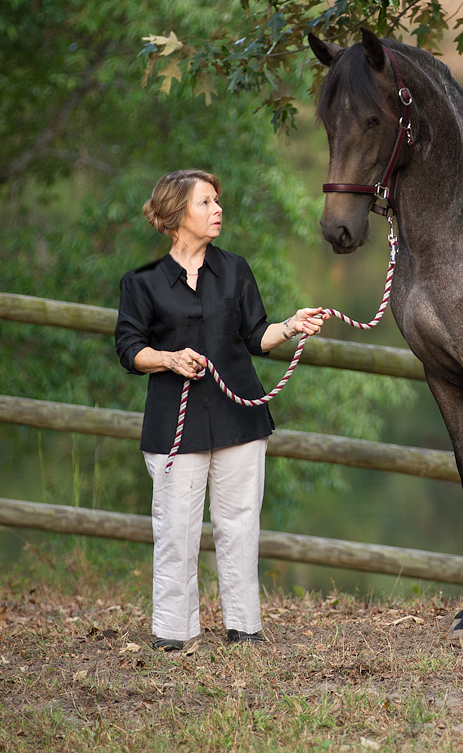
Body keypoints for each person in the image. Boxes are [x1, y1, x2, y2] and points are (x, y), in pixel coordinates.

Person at [115, 169, 328, 651]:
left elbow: (256, 337)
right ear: (176, 216)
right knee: (176, 532)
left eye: (217, 202)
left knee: (239, 528)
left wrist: (292, 324)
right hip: (175, 427)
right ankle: (173, 635)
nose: (217, 210)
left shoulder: (235, 269)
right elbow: (129, 350)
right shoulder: (142, 283)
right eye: (205, 203)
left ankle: (244, 629)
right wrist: (168, 358)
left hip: (241, 422)